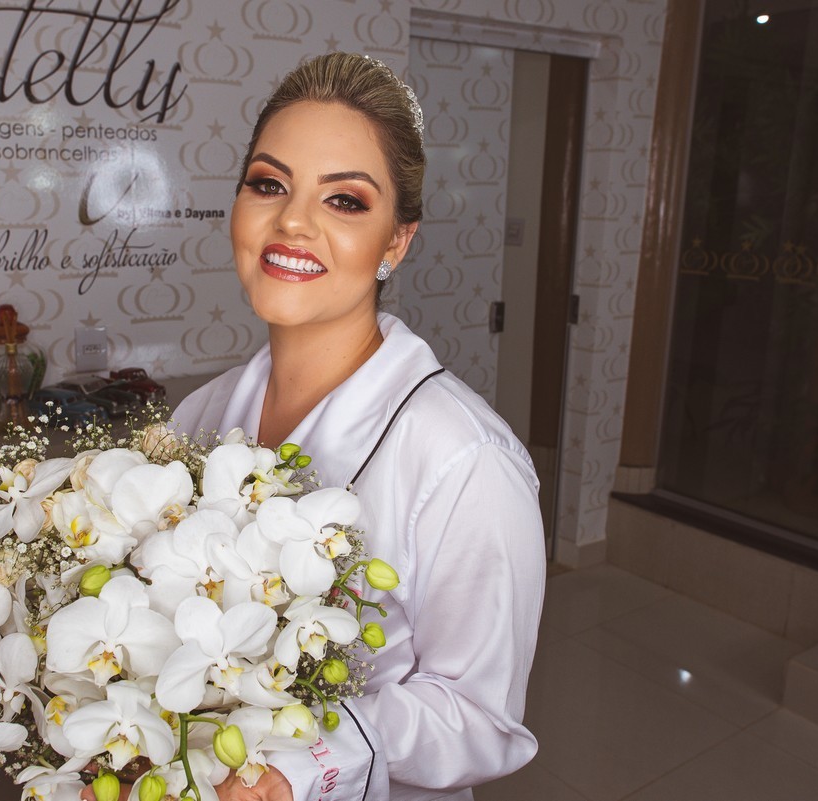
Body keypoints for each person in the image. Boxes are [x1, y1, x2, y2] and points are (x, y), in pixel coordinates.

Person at [170, 52, 546, 800]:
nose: (292, 222)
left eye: (344, 201)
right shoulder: (198, 416)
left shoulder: (466, 461)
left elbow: (482, 719)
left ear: (397, 241)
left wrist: (302, 764)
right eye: (268, 185)